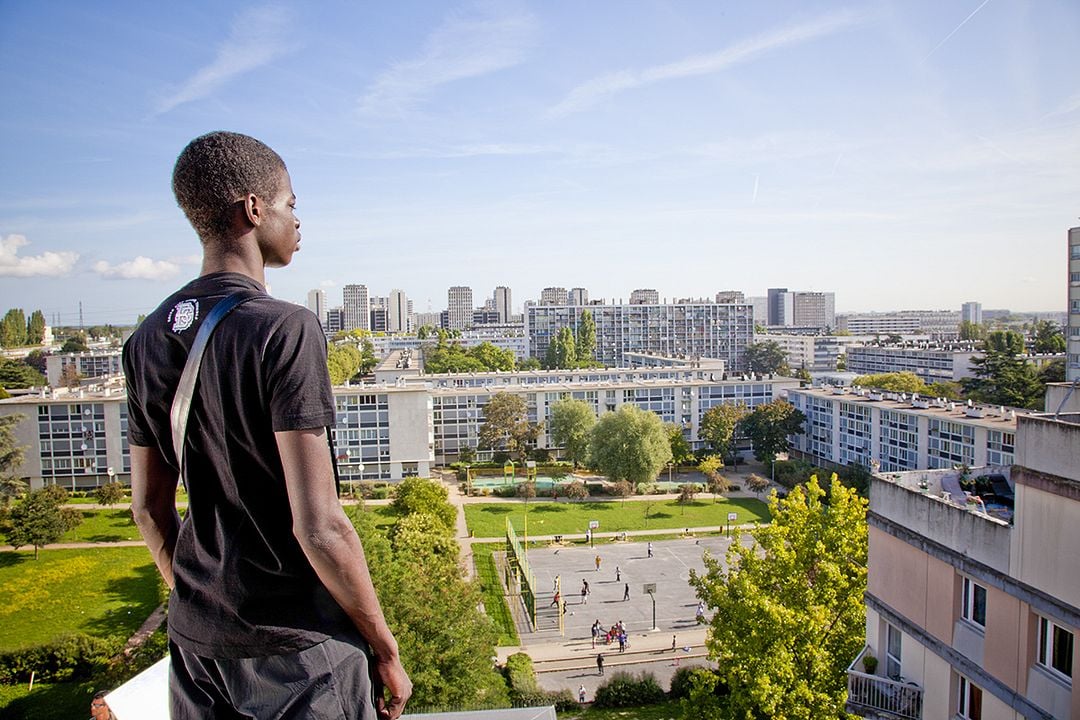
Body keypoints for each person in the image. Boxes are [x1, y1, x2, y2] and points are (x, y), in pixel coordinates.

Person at [125, 132, 410, 720]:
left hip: (197, 650)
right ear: (253, 210)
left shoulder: (146, 339)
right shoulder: (284, 329)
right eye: (290, 203)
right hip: (298, 648)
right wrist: (384, 646)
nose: (298, 220)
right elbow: (321, 525)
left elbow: (150, 510)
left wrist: (198, 600)